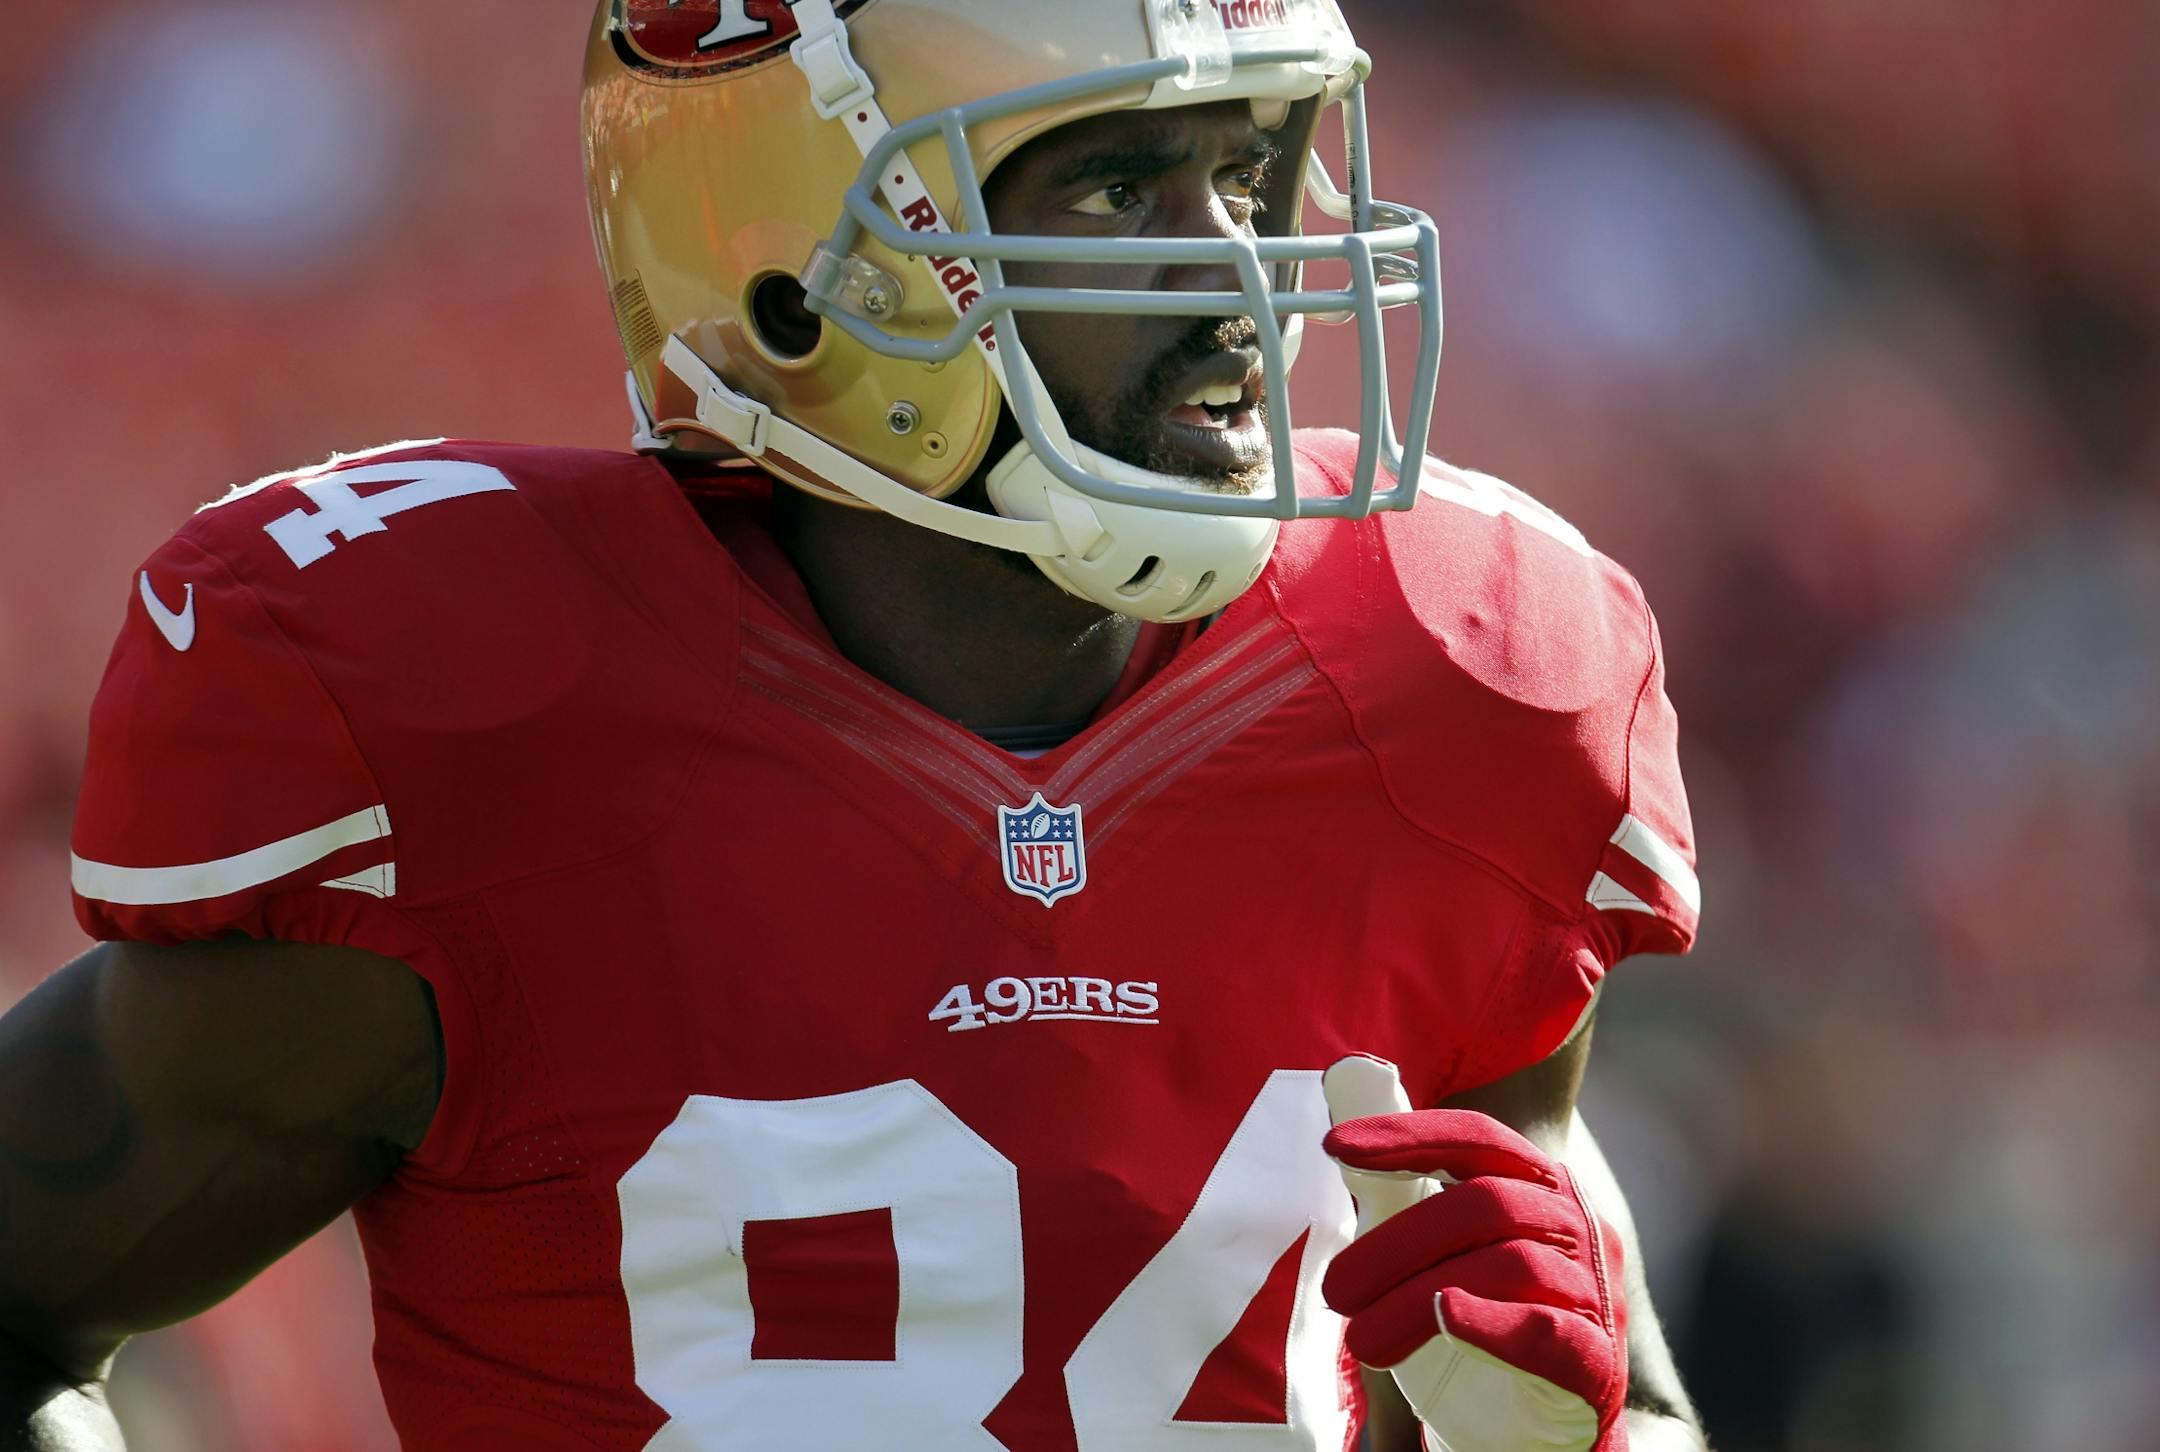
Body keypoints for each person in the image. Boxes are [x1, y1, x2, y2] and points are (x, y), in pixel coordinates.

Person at [0, 1, 1710, 1448]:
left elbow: (1607, 1385)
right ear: (795, 275)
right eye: (1118, 189)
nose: (1237, 277)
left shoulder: (1457, 686)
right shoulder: (476, 726)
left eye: (1253, 175)